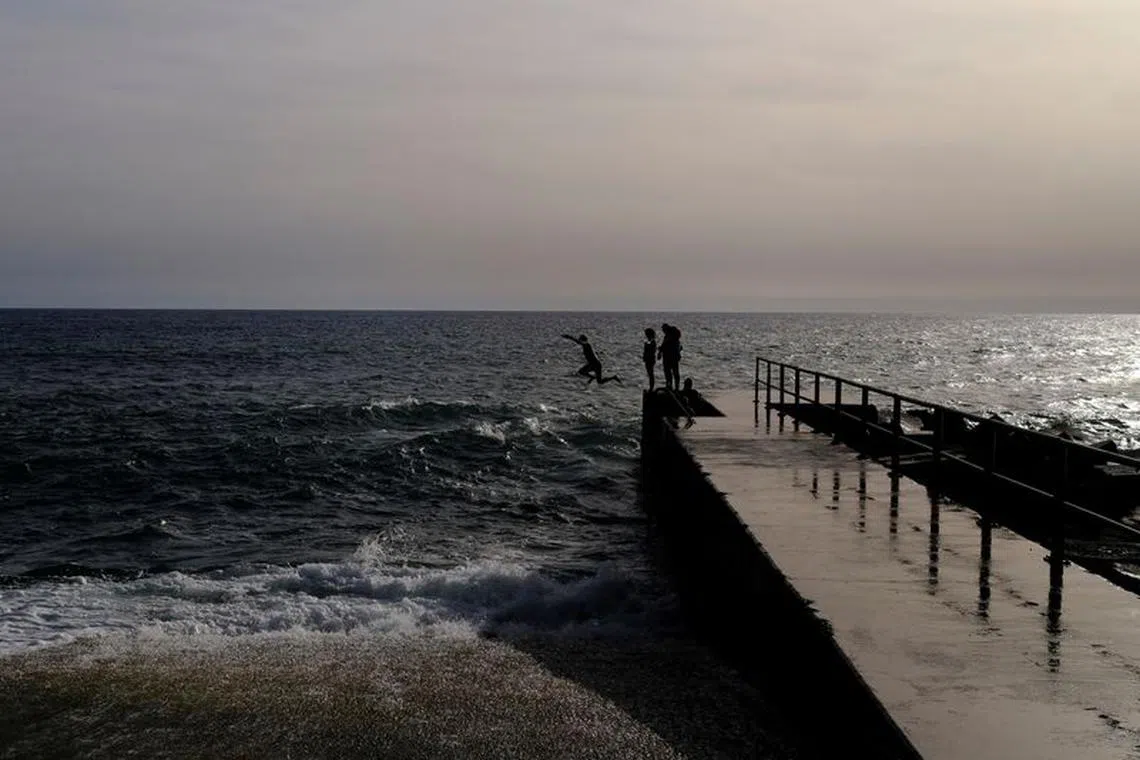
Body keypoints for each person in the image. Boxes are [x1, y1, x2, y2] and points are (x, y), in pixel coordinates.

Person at [658, 323, 682, 391]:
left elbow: (664, 346)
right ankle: (675, 387)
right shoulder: (673, 337)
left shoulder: (669, 337)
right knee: (674, 373)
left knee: (669, 373)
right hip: (673, 357)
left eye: (663, 329)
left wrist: (660, 351)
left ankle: (670, 386)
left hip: (669, 358)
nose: (663, 331)